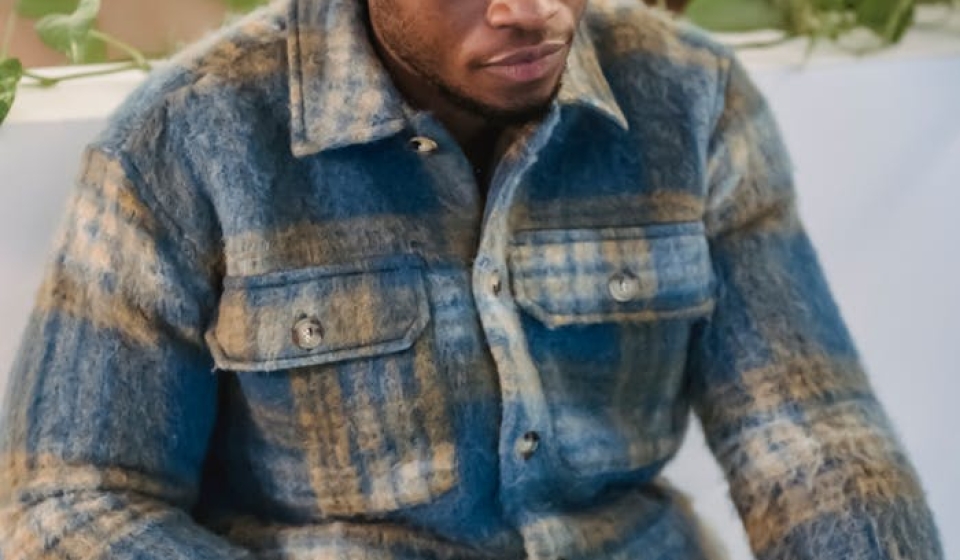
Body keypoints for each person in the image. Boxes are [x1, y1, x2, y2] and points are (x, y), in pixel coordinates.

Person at [0, 0, 943, 557]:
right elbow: (69, 502)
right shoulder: (185, 141)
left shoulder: (691, 96)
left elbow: (809, 432)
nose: (533, 12)